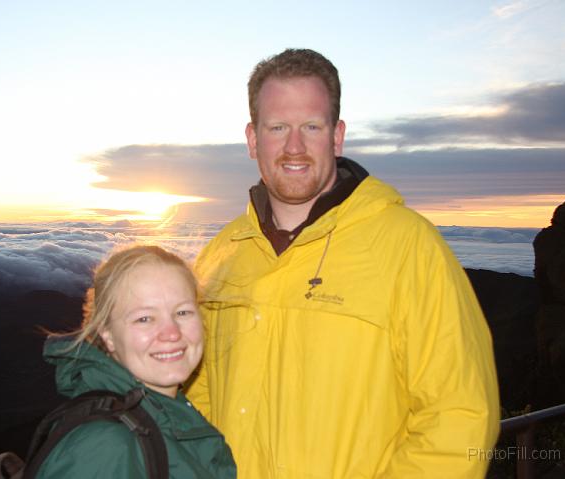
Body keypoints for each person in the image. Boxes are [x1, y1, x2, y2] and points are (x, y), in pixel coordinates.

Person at [186, 49, 500, 478]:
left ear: (337, 136)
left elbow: (461, 414)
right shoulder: (221, 255)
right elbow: (194, 400)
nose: (293, 146)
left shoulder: (408, 246)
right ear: (252, 138)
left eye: (311, 127)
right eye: (277, 127)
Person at [35, 245, 236, 478]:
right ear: (107, 335)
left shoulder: (165, 414)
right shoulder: (105, 446)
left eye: (182, 312)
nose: (171, 333)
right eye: (144, 318)